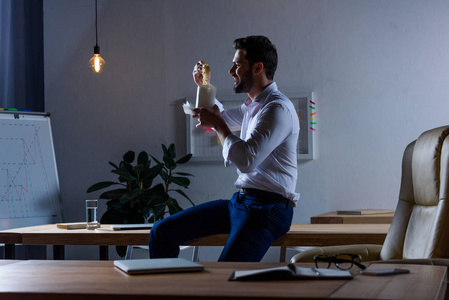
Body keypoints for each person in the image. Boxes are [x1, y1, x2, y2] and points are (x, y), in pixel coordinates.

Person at [148, 35, 300, 262]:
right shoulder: (253, 106)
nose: (230, 71)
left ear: (258, 68)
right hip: (241, 202)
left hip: (268, 210)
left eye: (237, 65)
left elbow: (247, 161)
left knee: (224, 278)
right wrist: (204, 86)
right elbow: (220, 120)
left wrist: (218, 124)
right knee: (161, 233)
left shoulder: (277, 109)